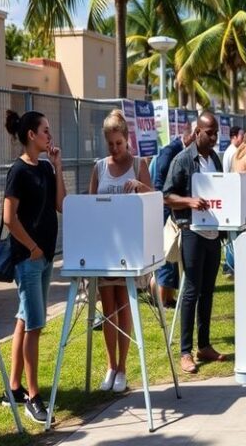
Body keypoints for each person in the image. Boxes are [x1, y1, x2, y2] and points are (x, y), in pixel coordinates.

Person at [3, 110, 66, 423]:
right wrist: (32, 248)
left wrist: (57, 167)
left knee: (24, 319)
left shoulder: (43, 166)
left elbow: (60, 205)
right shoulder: (18, 171)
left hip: (45, 256)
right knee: (35, 326)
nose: (48, 135)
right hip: (28, 259)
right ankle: (33, 396)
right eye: (45, 130)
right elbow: (8, 218)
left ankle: (14, 388)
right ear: (31, 134)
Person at [88, 110, 154, 393]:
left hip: (129, 246)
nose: (115, 149)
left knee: (124, 306)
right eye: (111, 144)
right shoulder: (99, 167)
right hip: (104, 245)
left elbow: (153, 199)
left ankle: (123, 368)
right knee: (107, 308)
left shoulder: (139, 164)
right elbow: (90, 205)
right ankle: (110, 365)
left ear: (127, 139)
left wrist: (141, 186)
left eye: (119, 143)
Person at [163, 111, 229, 374]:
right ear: (197, 132)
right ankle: (185, 352)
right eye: (209, 132)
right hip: (191, 230)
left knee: (207, 290)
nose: (214, 137)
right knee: (190, 289)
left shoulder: (214, 158)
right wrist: (189, 202)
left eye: (216, 133)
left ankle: (204, 345)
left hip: (213, 232)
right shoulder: (182, 160)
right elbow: (166, 195)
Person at [151, 120, 195, 308]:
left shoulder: (180, 151)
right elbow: (160, 183)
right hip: (165, 209)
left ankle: (168, 297)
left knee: (172, 254)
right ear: (189, 136)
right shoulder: (171, 152)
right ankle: (162, 298)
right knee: (166, 253)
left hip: (171, 208)